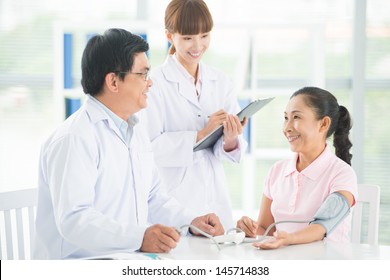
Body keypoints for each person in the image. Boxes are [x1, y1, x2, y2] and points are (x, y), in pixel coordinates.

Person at [33, 28, 224, 259]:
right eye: (142, 74)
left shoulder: (135, 129)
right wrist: (139, 237)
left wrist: (191, 222)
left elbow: (153, 197)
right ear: (113, 81)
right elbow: (74, 220)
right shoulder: (75, 138)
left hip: (126, 258)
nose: (150, 83)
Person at [145, 0, 248, 230]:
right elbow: (150, 148)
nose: (198, 45)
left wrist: (230, 139)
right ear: (170, 36)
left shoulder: (221, 82)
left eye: (204, 36)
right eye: (188, 37)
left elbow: (230, 151)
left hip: (215, 198)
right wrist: (201, 133)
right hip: (174, 200)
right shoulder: (155, 84)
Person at [237, 86, 358, 249]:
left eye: (296, 117)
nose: (287, 127)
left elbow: (323, 226)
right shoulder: (277, 171)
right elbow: (265, 228)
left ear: (323, 124)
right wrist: (248, 229)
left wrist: (289, 238)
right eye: (286, 118)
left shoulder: (342, 174)